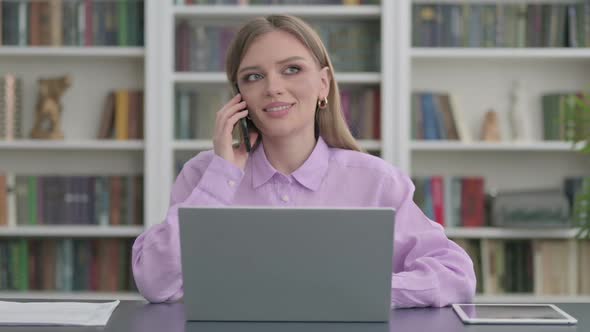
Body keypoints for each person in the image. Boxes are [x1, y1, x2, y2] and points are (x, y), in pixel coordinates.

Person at [132, 14, 476, 308]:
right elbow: (155, 283)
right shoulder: (204, 174)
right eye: (253, 76)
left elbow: (456, 275)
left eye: (292, 69)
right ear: (238, 96)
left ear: (323, 83)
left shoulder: (375, 181)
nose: (273, 88)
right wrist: (222, 175)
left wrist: (366, 292)